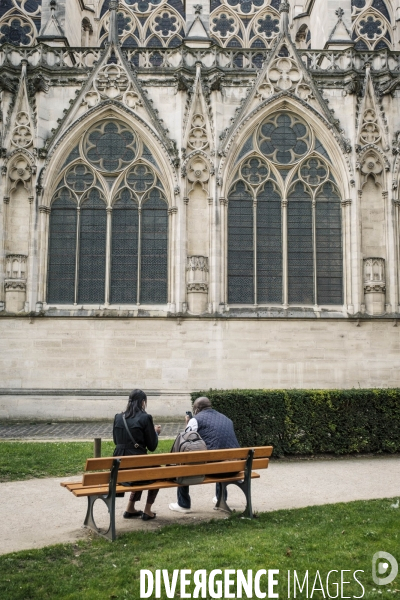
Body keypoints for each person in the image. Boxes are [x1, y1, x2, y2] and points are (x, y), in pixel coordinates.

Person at [169, 396, 240, 513]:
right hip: (235, 466)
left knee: (183, 464)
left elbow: (186, 440)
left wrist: (188, 423)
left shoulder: (195, 419)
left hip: (212, 469)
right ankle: (220, 497)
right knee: (222, 457)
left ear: (197, 409)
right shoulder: (226, 418)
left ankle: (183, 504)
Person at [113, 389, 161, 521]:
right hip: (136, 469)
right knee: (157, 471)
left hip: (119, 470)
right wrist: (155, 432)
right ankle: (147, 510)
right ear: (143, 402)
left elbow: (116, 441)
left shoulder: (118, 417)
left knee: (141, 469)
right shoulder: (145, 418)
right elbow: (152, 447)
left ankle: (130, 508)